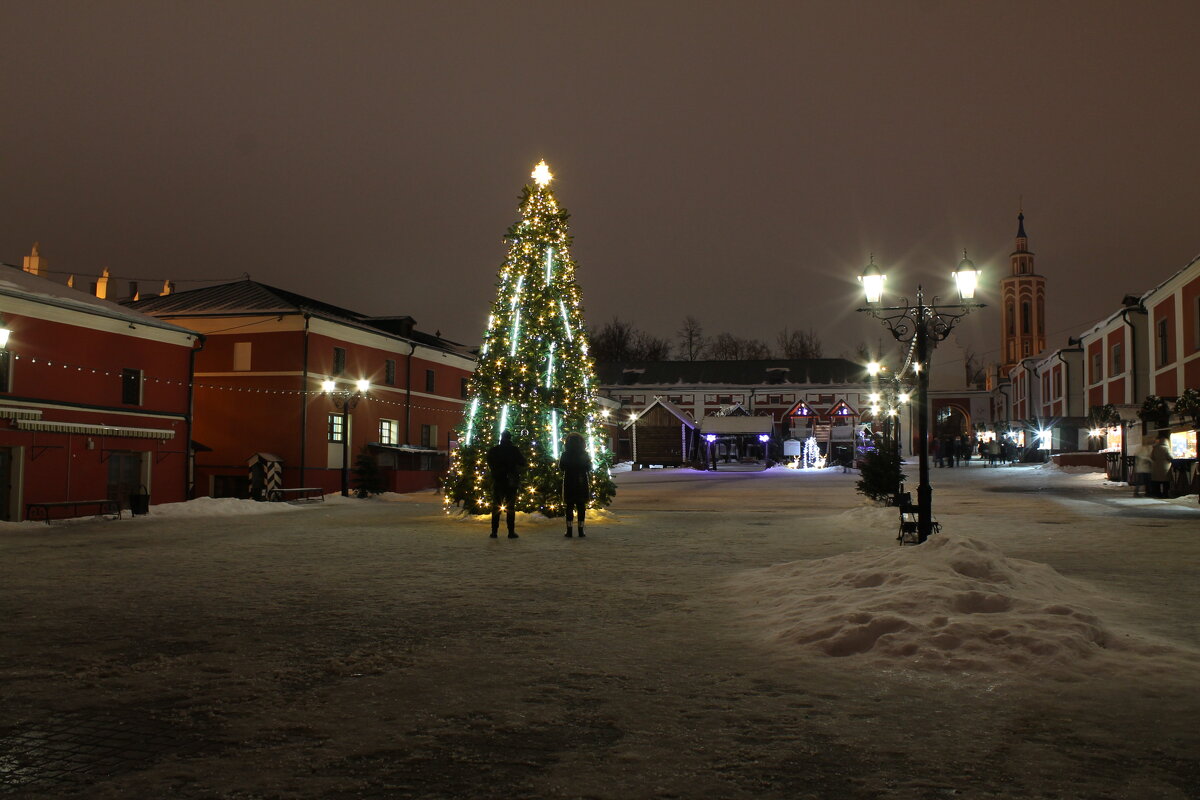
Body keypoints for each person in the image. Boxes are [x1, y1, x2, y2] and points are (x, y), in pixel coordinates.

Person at [486, 430, 526, 538]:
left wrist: (496, 471)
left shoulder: (494, 450)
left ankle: (494, 531)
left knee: (496, 507)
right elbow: (523, 462)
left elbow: (489, 461)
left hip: (498, 480)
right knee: (510, 507)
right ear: (510, 438)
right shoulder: (514, 450)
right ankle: (511, 532)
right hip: (511, 482)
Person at [559, 432, 592, 538]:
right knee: (581, 506)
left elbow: (561, 467)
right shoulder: (584, 454)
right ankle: (581, 530)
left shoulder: (565, 454)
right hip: (581, 481)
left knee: (569, 506)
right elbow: (589, 467)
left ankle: (569, 531)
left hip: (569, 481)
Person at [1149, 434, 1174, 499]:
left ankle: (1158, 494)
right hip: (1165, 468)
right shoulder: (1166, 448)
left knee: (1157, 482)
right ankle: (1165, 494)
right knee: (1166, 483)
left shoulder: (1155, 448)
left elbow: (1151, 457)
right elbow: (1170, 457)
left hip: (1156, 468)